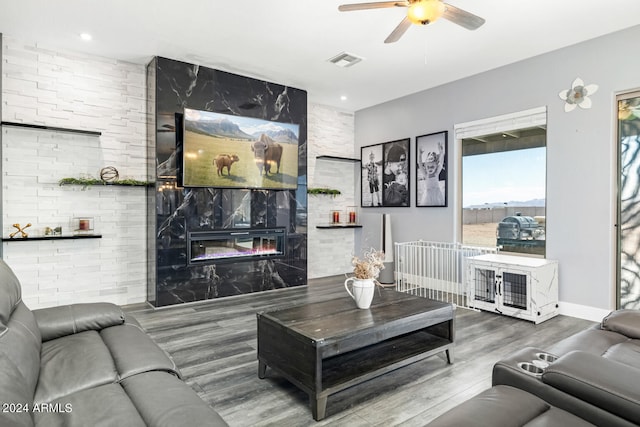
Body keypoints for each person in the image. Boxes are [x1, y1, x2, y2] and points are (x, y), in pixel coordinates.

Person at [418, 141, 445, 206]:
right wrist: (420, 155)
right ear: (425, 167)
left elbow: (441, 163)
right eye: (428, 167)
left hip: (437, 193)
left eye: (432, 167)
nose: (430, 169)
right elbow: (420, 165)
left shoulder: (436, 174)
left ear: (436, 166)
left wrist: (441, 152)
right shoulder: (426, 174)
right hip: (428, 194)